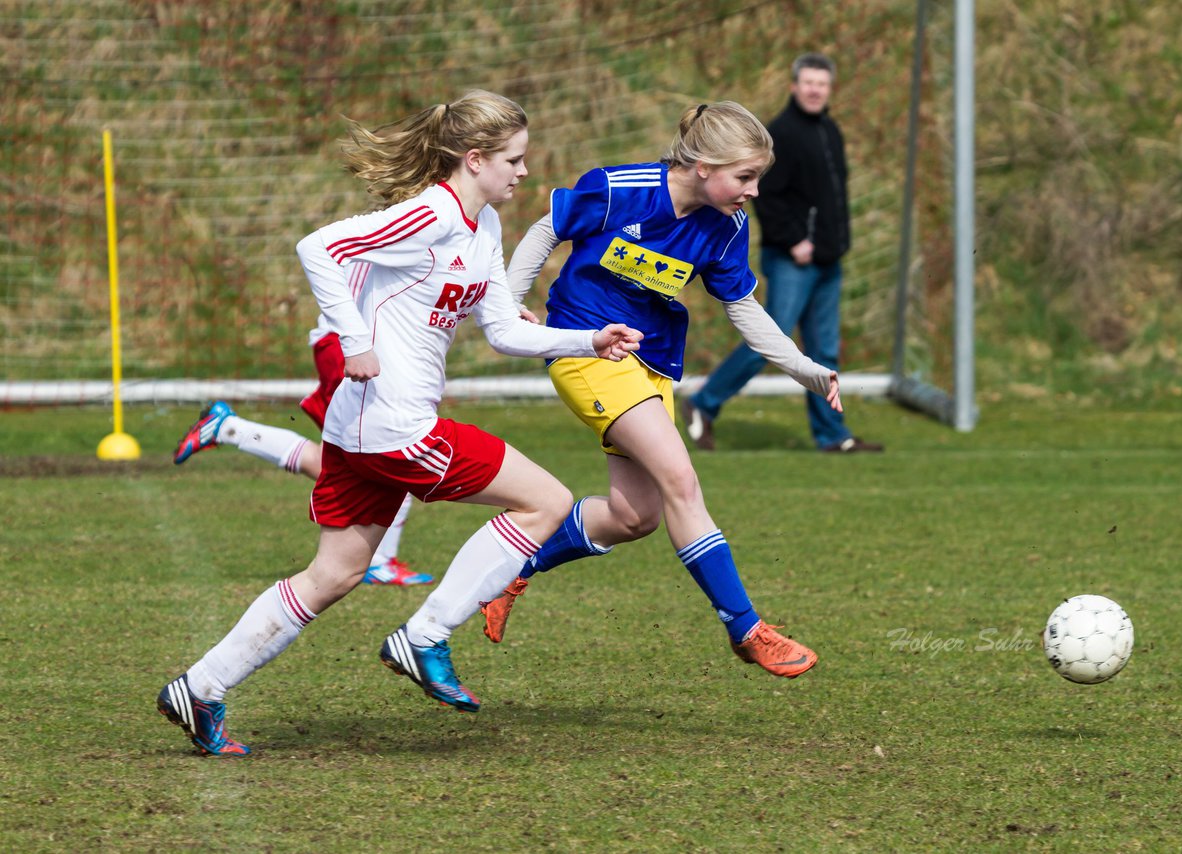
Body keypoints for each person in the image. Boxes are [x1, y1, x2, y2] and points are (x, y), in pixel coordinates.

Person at [156, 90, 642, 756]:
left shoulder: (487, 228)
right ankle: (425, 637)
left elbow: (501, 329)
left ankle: (200, 687)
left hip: (367, 430)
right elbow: (318, 247)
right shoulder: (430, 215)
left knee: (334, 575)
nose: (524, 172)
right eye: (514, 160)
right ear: (475, 159)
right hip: (395, 426)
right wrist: (354, 339)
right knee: (550, 501)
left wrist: (588, 341)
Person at [481, 101, 840, 679]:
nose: (752, 191)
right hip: (587, 350)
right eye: (744, 177)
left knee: (633, 516)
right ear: (702, 165)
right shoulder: (623, 188)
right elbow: (549, 227)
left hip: (650, 365)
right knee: (681, 479)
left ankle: (505, 569)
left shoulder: (727, 226)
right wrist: (505, 306)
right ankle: (747, 628)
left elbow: (741, 305)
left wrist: (802, 367)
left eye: (757, 179)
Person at [682, 54, 883, 454]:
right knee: (770, 342)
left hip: (828, 260)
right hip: (793, 260)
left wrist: (834, 243)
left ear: (830, 88)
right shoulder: (781, 134)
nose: (815, 90)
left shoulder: (831, 130)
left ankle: (833, 436)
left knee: (824, 349)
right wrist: (794, 241)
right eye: (808, 82)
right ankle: (703, 403)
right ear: (795, 86)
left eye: (822, 84)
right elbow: (765, 197)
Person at [172, 320, 429, 585]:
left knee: (358, 465)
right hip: (350, 344)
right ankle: (379, 563)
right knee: (388, 459)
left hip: (349, 343)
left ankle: (228, 427)